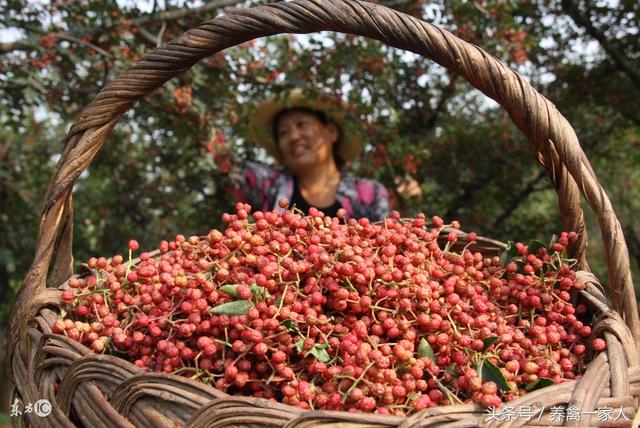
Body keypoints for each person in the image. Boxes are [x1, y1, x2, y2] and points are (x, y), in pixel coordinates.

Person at [213, 88, 393, 221]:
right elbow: (226, 165)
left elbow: (386, 247)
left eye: (302, 125)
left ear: (331, 132)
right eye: (283, 133)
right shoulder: (270, 185)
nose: (293, 137)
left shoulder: (370, 193)